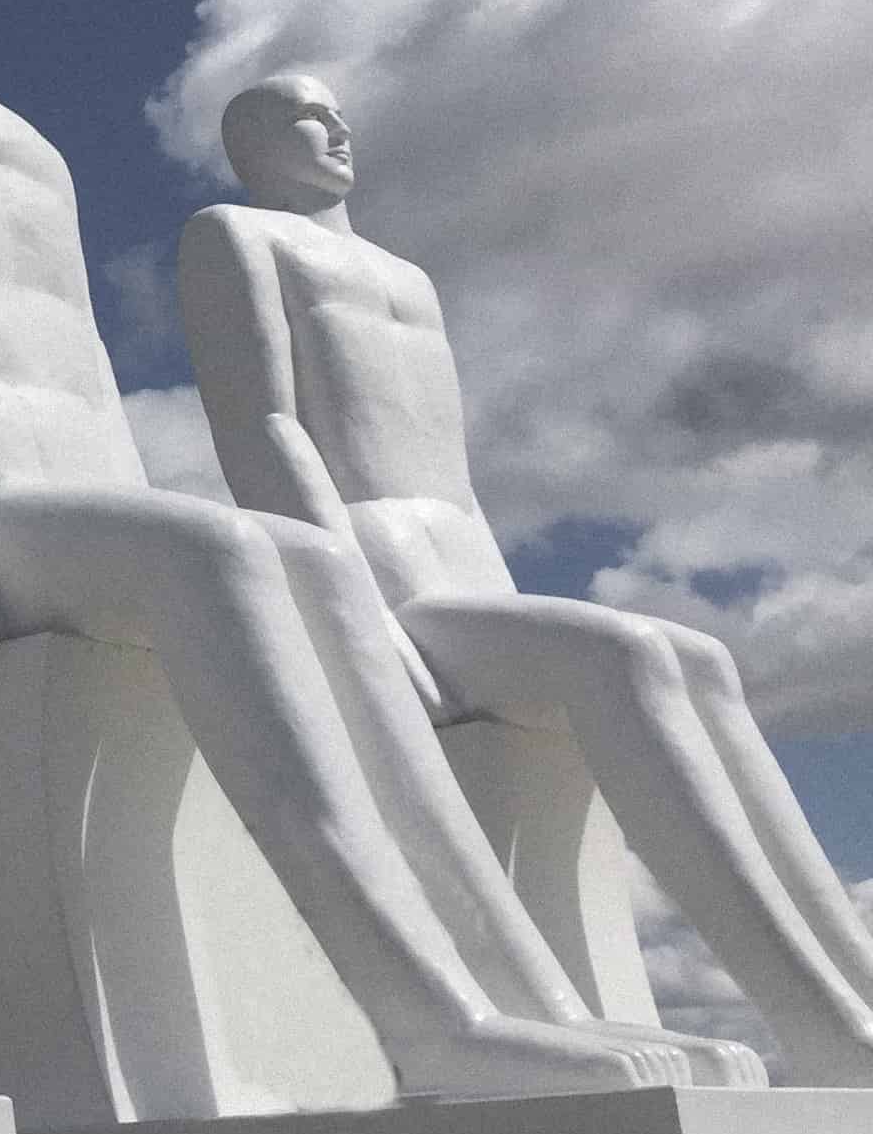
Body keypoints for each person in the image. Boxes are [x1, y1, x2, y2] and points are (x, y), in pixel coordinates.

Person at [0, 0, 760, 1102]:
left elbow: (76, 349)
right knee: (233, 560)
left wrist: (135, 500)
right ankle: (427, 1018)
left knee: (316, 570)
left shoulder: (32, 144)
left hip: (89, 483)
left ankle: (521, 1002)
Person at [184, 73, 873, 1083]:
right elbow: (264, 427)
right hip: (381, 571)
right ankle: (819, 1024)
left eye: (338, 112)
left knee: (704, 660)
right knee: (632, 654)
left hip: (464, 565)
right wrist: (354, 607)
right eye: (302, 116)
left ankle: (849, 993)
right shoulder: (237, 238)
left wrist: (505, 592)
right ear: (249, 148)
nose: (333, 127)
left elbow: (450, 469)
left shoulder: (409, 278)